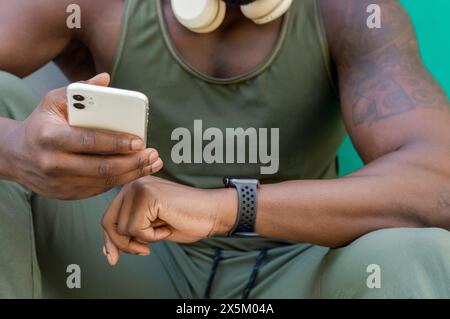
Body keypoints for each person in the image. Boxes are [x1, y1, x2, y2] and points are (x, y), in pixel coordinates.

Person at [0, 0, 449, 299]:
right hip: (125, 251)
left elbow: (439, 178)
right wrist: (16, 148)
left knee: (420, 255)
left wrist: (225, 208)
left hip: (297, 264)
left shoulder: (351, 13)